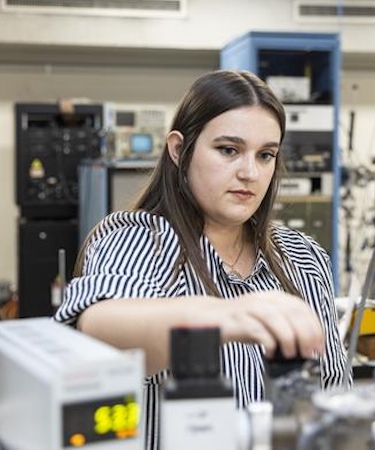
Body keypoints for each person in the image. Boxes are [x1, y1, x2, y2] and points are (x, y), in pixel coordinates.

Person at [54, 69, 352, 449]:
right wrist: (226, 315)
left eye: (266, 155)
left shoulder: (302, 258)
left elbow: (334, 396)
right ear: (179, 150)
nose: (250, 172)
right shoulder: (142, 241)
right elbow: (99, 329)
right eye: (228, 150)